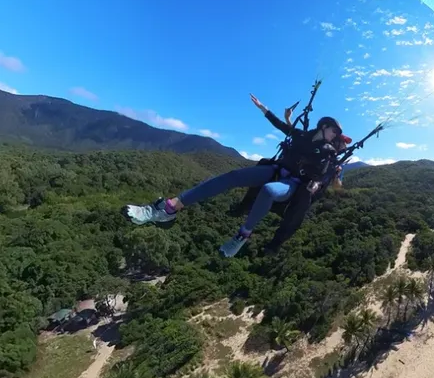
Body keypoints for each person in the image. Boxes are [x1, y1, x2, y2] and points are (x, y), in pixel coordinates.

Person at [122, 93, 352, 257]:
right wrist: (264, 109)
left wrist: (328, 174)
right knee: (232, 176)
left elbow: (320, 175)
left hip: (290, 185)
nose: (336, 135)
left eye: (337, 134)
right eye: (335, 131)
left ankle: (242, 236)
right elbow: (282, 126)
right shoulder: (303, 136)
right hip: (275, 170)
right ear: (324, 127)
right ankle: (169, 209)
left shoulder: (328, 152)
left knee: (268, 190)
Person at [264, 142, 346, 255]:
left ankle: (275, 244)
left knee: (294, 217)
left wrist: (336, 174)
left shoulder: (337, 165)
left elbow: (337, 187)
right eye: (340, 143)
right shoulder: (319, 151)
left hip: (310, 192)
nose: (341, 147)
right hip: (297, 181)